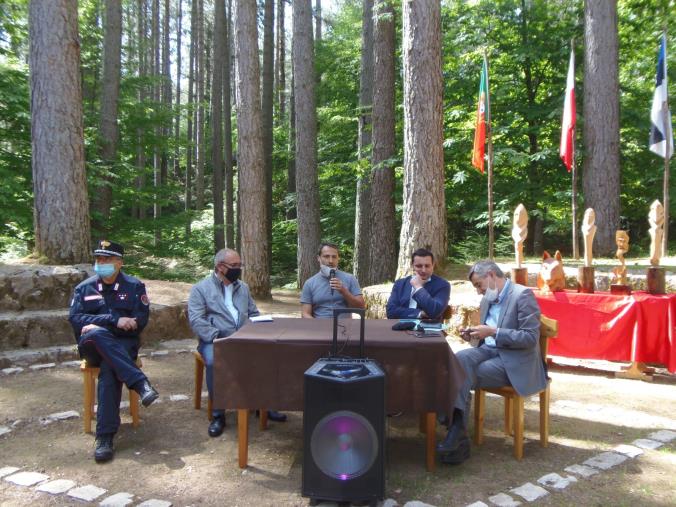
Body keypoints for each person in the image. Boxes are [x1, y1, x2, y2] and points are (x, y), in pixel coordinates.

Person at [437, 260, 544, 464]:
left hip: (516, 360)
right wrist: (473, 335)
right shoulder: (488, 298)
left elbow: (530, 338)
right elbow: (486, 337)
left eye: (479, 285)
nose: (478, 291)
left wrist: (494, 331)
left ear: (492, 275)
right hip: (489, 350)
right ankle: (458, 432)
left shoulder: (522, 295)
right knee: (458, 359)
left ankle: (454, 430)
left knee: (463, 373)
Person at [69, 240, 159, 463]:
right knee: (98, 335)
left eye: (106, 259)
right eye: (98, 259)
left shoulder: (135, 286)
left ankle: (105, 437)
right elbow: (75, 319)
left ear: (120, 263)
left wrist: (99, 323)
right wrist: (113, 320)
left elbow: (141, 319)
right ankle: (140, 383)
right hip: (92, 346)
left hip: (123, 345)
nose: (101, 263)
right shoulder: (84, 288)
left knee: (110, 368)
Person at [188, 248, 286, 438]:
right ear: (220, 267)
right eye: (234, 266)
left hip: (243, 337)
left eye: (240, 265)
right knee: (214, 362)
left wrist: (260, 326)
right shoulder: (200, 289)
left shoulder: (243, 287)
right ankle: (218, 415)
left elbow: (253, 313)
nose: (239, 269)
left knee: (269, 355)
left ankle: (264, 406)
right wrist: (220, 336)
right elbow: (196, 321)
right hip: (215, 340)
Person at [300, 242, 365, 318]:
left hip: (344, 327)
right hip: (320, 326)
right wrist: (317, 326)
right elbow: (305, 313)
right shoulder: (309, 283)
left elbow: (361, 307)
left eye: (334, 257)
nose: (330, 261)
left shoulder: (350, 279)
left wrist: (343, 291)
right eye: (326, 256)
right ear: (318, 258)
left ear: (338, 258)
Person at [386, 248, 450, 320]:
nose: (423, 270)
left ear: (433, 265)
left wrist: (418, 287)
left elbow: (435, 312)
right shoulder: (400, 284)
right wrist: (419, 313)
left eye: (427, 266)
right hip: (399, 327)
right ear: (412, 266)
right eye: (419, 266)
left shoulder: (442, 285)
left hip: (428, 329)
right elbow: (390, 312)